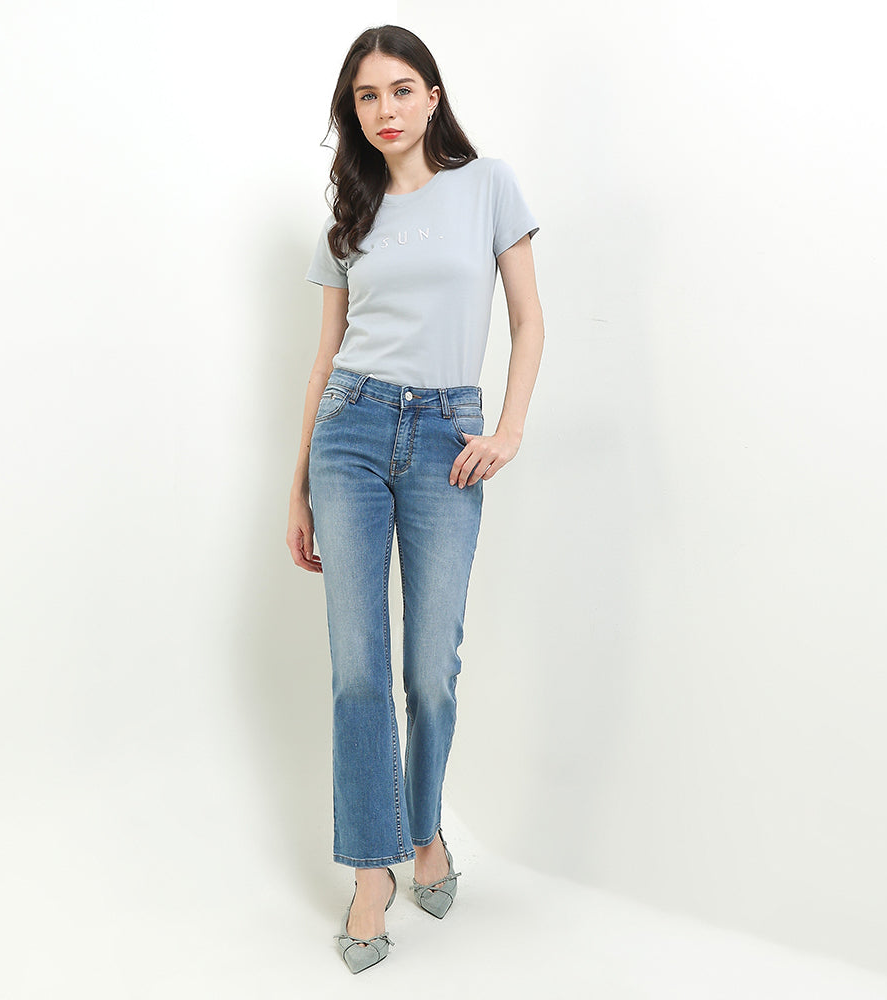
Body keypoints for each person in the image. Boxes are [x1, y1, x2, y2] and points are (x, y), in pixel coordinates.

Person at [286, 24, 544, 974]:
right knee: (358, 668)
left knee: (431, 668)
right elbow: (325, 358)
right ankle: (372, 871)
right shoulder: (347, 215)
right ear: (351, 111)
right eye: (366, 96)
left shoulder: (488, 185)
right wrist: (296, 487)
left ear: (433, 97)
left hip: (447, 438)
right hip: (349, 434)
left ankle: (424, 827)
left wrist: (507, 430)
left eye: (401, 90)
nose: (385, 110)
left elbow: (528, 319)